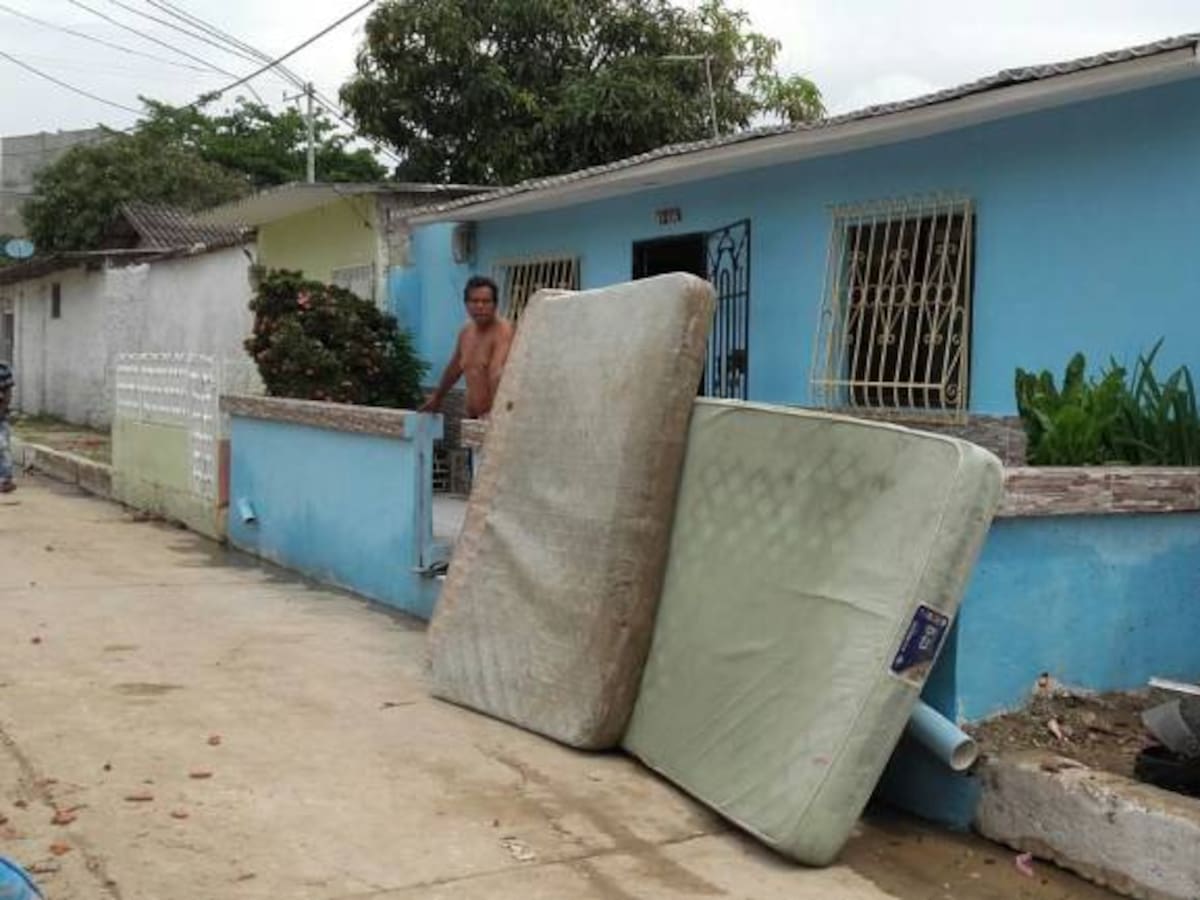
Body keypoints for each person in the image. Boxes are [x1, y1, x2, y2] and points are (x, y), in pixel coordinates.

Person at [420, 276, 514, 420]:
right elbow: (454, 368)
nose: (480, 306)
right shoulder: (466, 331)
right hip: (471, 417)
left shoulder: (503, 331)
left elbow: (497, 373)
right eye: (475, 301)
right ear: (466, 304)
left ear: (495, 305)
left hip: (493, 419)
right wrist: (437, 397)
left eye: (486, 301)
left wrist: (497, 413)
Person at [0, 362, 14, 494]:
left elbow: (7, 394)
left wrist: (2, 411)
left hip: (1, 417)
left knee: (2, 446)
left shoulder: (2, 369)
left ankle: (6, 480)